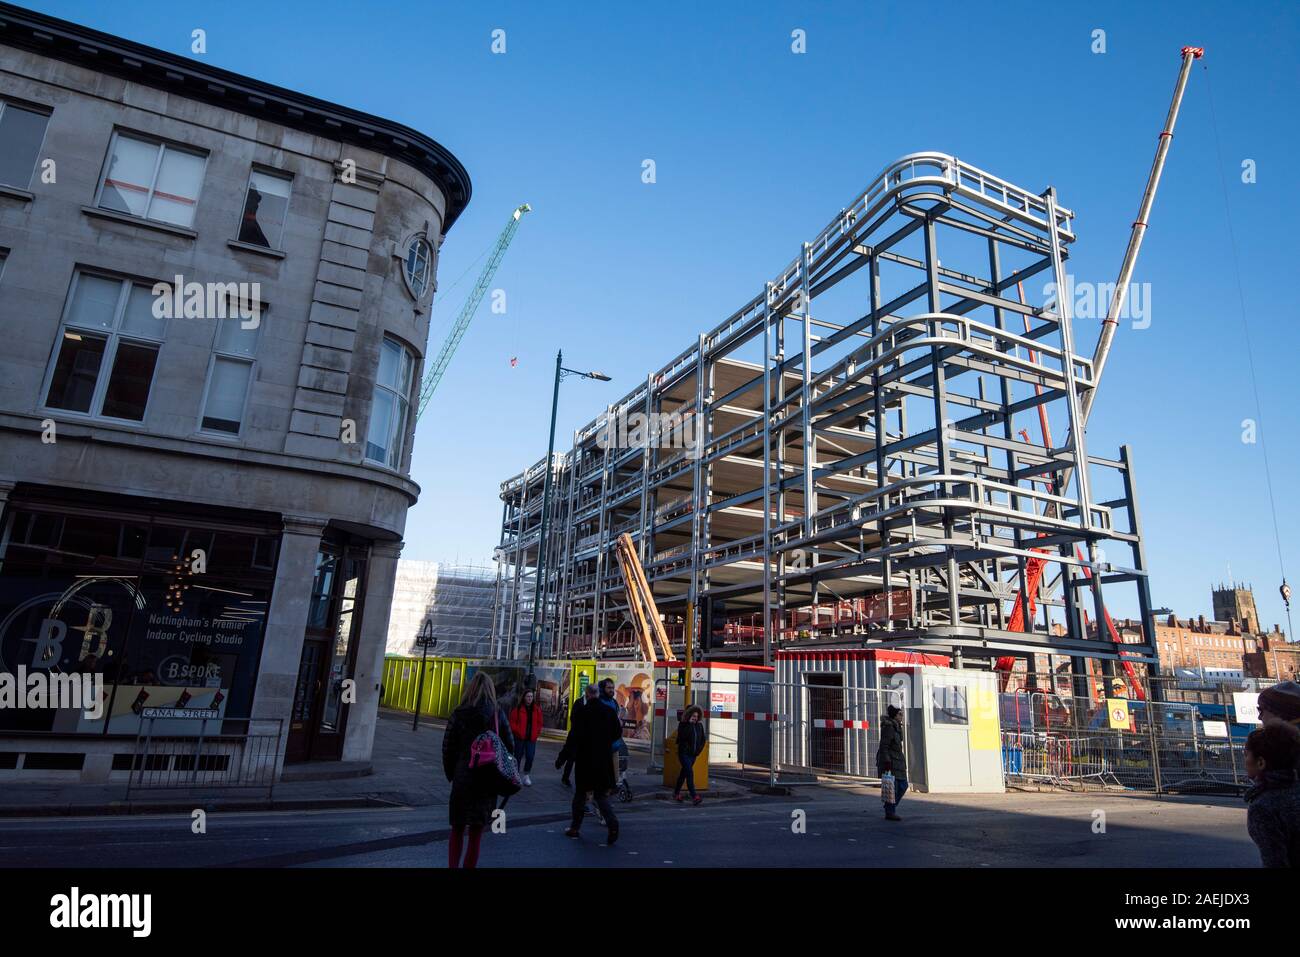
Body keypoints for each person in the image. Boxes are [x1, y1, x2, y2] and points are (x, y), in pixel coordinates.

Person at [442, 672, 515, 868]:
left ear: (471, 688)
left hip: (463, 778)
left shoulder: (459, 713)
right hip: (487, 780)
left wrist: (452, 773)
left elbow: (448, 746)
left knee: (457, 829)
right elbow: (510, 744)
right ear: (490, 689)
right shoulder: (497, 714)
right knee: (476, 835)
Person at [557, 681, 622, 844]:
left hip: (585, 760)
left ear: (587, 695)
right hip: (603, 759)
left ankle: (575, 828)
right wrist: (605, 743)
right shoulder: (609, 712)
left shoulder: (582, 713)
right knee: (600, 796)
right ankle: (612, 822)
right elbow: (617, 733)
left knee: (580, 795)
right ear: (598, 694)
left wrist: (562, 758)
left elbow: (572, 738)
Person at [1242, 721, 1300, 867]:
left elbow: (1275, 862)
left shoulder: (1263, 807)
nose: (1245, 760)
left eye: (1246, 754)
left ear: (1261, 762)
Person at [875, 704, 908, 821]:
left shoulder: (897, 727)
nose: (902, 716)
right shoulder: (889, 727)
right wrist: (887, 761)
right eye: (900, 714)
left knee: (903, 785)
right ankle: (890, 811)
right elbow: (884, 746)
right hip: (891, 761)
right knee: (893, 787)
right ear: (894, 715)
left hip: (898, 760)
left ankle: (890, 808)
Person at [509, 688, 543, 786]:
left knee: (530, 756)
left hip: (531, 738)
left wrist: (536, 733)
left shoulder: (537, 709)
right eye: (528, 696)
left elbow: (540, 723)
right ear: (524, 697)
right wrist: (518, 731)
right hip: (519, 738)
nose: (530, 698)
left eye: (531, 697)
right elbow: (512, 722)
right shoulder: (518, 709)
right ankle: (515, 776)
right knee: (517, 757)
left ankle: (526, 775)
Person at [673, 704, 706, 805]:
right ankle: (694, 796)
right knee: (689, 773)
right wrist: (689, 724)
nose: (695, 718)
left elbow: (703, 740)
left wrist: (698, 751)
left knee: (683, 774)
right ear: (688, 716)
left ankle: (676, 793)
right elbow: (682, 737)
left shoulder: (699, 726)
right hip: (684, 754)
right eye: (693, 716)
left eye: (696, 716)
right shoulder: (683, 725)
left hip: (693, 755)